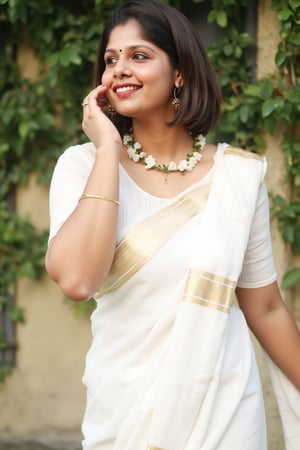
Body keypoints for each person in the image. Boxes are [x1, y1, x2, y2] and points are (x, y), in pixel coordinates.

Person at [45, 1, 300, 449]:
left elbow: (266, 308)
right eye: (111, 59)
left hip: (225, 413)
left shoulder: (237, 178)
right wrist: (107, 148)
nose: (120, 69)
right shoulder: (81, 165)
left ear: (179, 72)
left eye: (139, 56)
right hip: (124, 412)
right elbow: (77, 279)